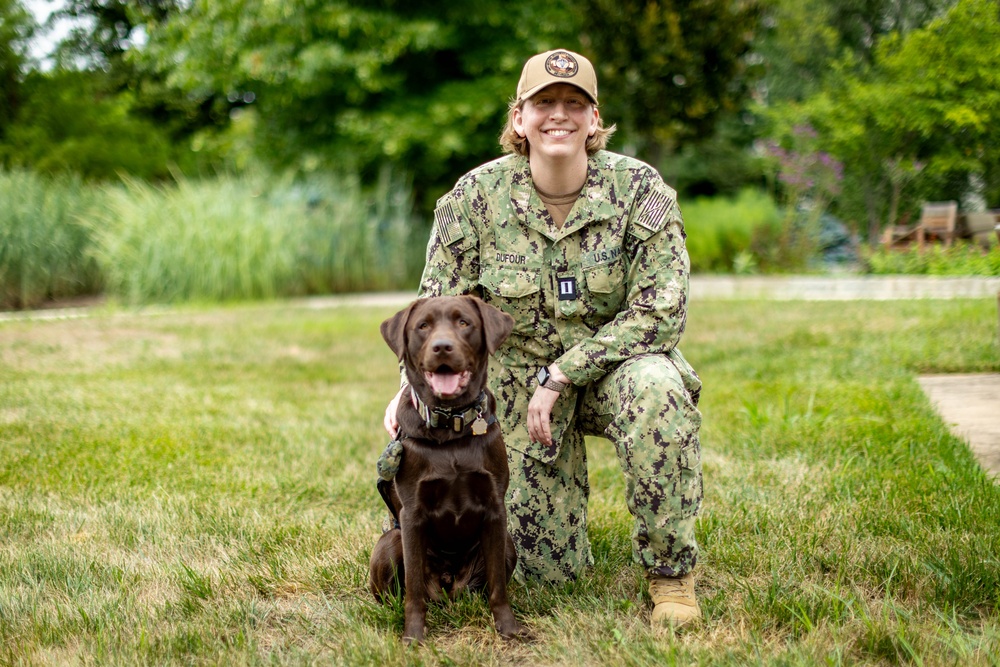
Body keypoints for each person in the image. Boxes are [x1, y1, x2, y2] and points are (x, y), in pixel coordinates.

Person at [383, 48, 704, 629]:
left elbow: (663, 309)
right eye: (544, 103)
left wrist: (564, 374)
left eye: (574, 103)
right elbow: (433, 310)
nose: (560, 115)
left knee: (659, 387)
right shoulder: (474, 198)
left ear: (594, 118)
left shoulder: (638, 189)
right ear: (520, 119)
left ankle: (670, 577)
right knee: (537, 569)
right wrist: (406, 390)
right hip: (512, 390)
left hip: (612, 371)